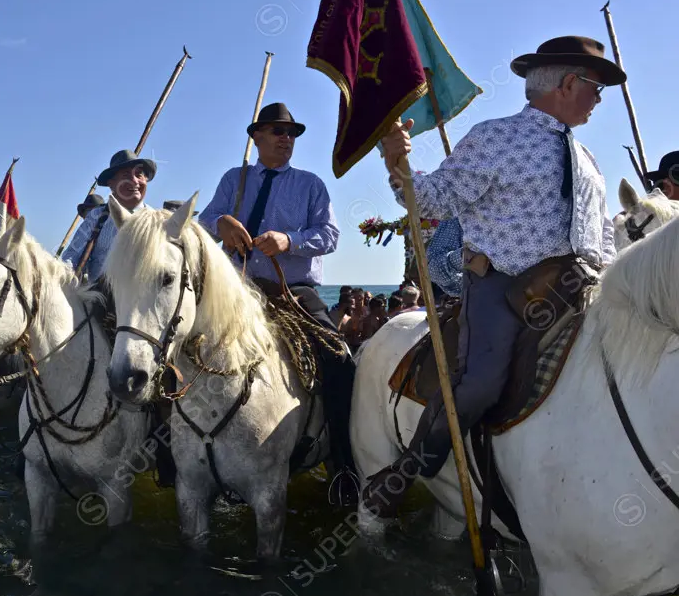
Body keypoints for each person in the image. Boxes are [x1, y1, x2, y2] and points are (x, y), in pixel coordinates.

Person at [361, 35, 623, 516]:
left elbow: (602, 234)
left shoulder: (588, 160)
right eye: (595, 85)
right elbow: (432, 199)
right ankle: (408, 469)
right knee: (480, 382)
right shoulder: (496, 137)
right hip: (503, 287)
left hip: (583, 288)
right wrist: (396, 162)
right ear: (568, 83)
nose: (599, 97)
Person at [198, 102, 358, 504]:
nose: (286, 139)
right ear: (256, 137)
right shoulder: (234, 179)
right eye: (277, 131)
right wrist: (221, 223)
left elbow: (331, 235)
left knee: (340, 360)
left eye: (291, 133)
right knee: (176, 348)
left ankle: (344, 465)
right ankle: (173, 454)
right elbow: (203, 221)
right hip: (235, 289)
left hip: (292, 290)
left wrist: (290, 240)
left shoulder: (310, 184)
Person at [62, 149, 155, 281]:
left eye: (139, 175)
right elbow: (71, 259)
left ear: (145, 180)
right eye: (126, 175)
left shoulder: (156, 221)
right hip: (99, 299)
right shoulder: (97, 217)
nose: (134, 181)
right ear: (112, 184)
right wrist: (64, 277)